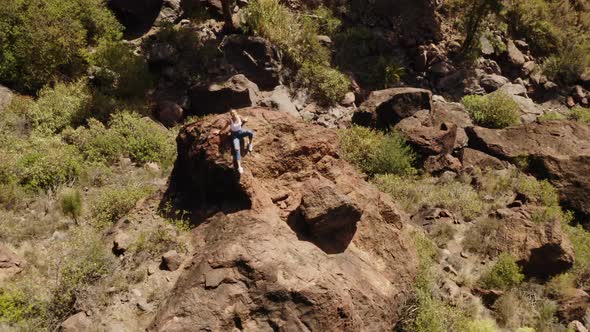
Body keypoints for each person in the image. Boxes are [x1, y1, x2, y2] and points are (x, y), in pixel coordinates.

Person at [220, 109, 254, 174]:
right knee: (237, 149)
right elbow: (225, 127)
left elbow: (243, 120)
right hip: (235, 136)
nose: (233, 114)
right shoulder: (230, 121)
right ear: (231, 115)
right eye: (231, 113)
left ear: (236, 113)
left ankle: (250, 144)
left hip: (240, 132)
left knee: (250, 132)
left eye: (234, 113)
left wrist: (245, 120)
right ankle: (239, 167)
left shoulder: (239, 116)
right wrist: (219, 132)